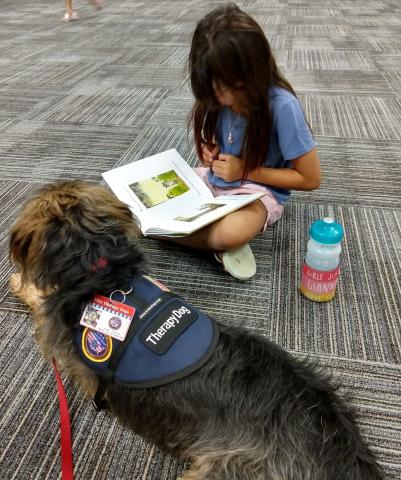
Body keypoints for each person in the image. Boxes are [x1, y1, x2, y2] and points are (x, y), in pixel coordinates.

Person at [160, 3, 321, 280]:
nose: (223, 100)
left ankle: (167, 232)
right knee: (150, 190)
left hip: (258, 193)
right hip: (214, 182)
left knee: (233, 232)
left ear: (255, 73)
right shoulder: (218, 97)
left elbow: (310, 179)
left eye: (232, 89)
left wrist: (245, 171)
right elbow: (219, 145)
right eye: (214, 91)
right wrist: (211, 153)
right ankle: (204, 240)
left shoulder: (282, 107)